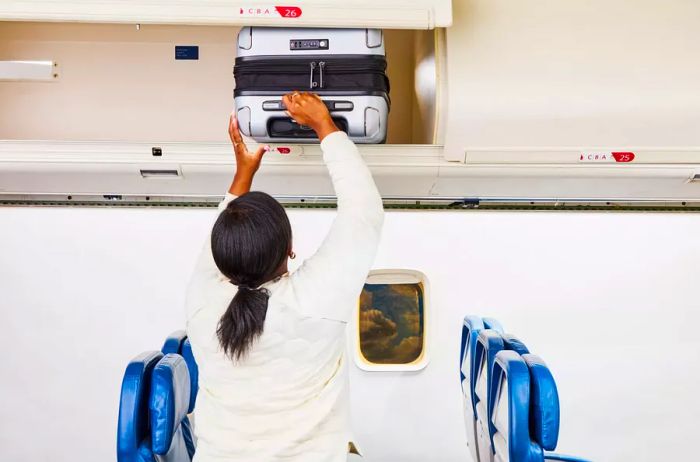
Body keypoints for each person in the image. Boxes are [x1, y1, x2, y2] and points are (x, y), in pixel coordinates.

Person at [185, 91, 384, 462]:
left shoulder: (201, 305)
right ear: (290, 247)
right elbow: (363, 211)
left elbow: (363, 214)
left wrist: (243, 173)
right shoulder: (315, 300)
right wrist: (325, 125)